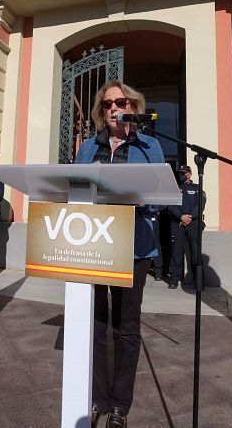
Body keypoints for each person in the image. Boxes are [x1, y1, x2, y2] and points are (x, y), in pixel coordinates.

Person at [74, 81, 165, 428]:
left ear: (133, 107)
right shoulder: (87, 149)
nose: (115, 108)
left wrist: (139, 196)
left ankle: (119, 405)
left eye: (121, 102)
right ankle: (100, 397)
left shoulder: (149, 145)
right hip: (93, 246)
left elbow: (159, 196)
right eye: (108, 104)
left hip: (134, 247)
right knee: (97, 325)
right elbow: (75, 188)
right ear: (101, 111)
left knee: (126, 327)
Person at [167, 165, 205, 289]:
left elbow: (201, 205)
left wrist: (190, 217)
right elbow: (171, 206)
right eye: (180, 173)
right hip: (177, 223)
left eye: (184, 173)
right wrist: (180, 217)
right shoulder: (174, 189)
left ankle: (199, 281)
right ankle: (174, 280)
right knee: (176, 252)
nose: (181, 175)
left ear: (189, 174)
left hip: (193, 224)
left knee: (195, 253)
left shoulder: (197, 188)